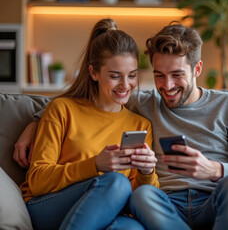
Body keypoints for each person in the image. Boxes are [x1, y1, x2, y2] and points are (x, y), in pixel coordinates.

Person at [14, 22, 228, 230]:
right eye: (159, 75)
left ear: (197, 68)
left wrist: (212, 169)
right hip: (163, 204)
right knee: (134, 194)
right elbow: (79, 102)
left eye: (177, 74)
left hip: (215, 199)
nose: (167, 86)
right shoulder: (143, 103)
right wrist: (35, 122)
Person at [18, 18, 159, 230]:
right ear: (94, 72)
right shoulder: (62, 109)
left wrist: (147, 172)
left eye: (132, 75)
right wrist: (94, 165)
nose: (125, 85)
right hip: (48, 206)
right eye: (114, 76)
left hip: (106, 210)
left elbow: (135, 197)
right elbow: (38, 181)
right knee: (116, 182)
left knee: (132, 228)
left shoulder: (140, 125)